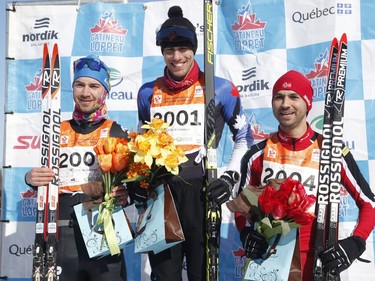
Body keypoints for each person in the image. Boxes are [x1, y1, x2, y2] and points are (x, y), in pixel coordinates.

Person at [135, 5, 253, 281]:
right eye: (168, 49)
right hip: (162, 196)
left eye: (183, 48)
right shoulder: (147, 93)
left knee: (203, 274)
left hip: (202, 193)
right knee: (164, 276)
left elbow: (245, 137)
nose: (176, 57)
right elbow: (142, 143)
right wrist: (139, 183)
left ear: (195, 48)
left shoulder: (219, 87)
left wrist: (229, 178)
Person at [232, 70, 375, 280]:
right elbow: (240, 206)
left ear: (307, 103)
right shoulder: (257, 154)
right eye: (279, 97)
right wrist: (246, 234)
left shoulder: (331, 151)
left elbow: (368, 203)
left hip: (315, 265)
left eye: (293, 97)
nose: (285, 104)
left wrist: (356, 243)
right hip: (268, 263)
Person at [25, 56, 129, 281]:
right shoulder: (55, 130)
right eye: (79, 85)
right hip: (62, 231)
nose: (85, 93)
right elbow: (44, 176)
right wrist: (30, 178)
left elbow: (130, 182)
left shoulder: (116, 131)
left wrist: (126, 193)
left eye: (94, 86)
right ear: (72, 89)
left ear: (105, 91)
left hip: (102, 232)